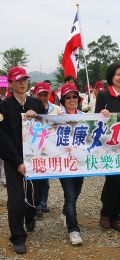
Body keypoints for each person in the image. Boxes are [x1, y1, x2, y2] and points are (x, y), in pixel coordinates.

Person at [0, 67, 46, 254]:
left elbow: (48, 126)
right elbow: (3, 138)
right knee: (16, 197)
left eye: (24, 79)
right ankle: (18, 236)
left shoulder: (35, 103)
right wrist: (18, 162)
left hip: (35, 158)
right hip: (13, 161)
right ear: (10, 84)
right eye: (17, 80)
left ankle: (30, 215)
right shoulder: (4, 107)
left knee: (35, 193)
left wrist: (37, 117)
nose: (22, 83)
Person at [94, 63, 120, 232]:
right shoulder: (104, 96)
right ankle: (106, 214)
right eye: (118, 74)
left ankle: (116, 217)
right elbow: (95, 119)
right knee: (113, 181)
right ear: (111, 77)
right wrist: (101, 114)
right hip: (109, 146)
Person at [59, 83, 85, 245]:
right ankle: (73, 230)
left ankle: (65, 212)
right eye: (68, 97)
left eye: (74, 97)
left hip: (80, 162)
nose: (72, 100)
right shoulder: (56, 115)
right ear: (62, 100)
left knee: (76, 192)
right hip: (63, 162)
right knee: (70, 196)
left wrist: (104, 114)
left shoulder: (85, 115)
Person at [33, 82, 62, 218]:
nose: (43, 97)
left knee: (44, 177)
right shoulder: (30, 108)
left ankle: (42, 203)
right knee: (34, 177)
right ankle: (34, 203)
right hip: (33, 147)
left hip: (50, 147)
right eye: (40, 94)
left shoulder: (56, 109)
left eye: (45, 94)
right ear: (35, 94)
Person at [0, 76, 9, 187]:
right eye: (1, 87)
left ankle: (4, 179)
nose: (3, 89)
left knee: (4, 157)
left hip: (6, 130)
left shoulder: (9, 99)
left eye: (4, 87)